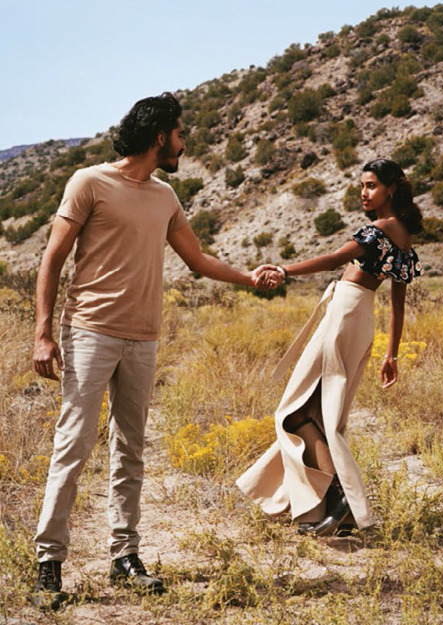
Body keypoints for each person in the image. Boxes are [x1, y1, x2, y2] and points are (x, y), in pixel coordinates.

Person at [31, 92, 277, 610]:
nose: (185, 142)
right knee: (73, 446)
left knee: (132, 449)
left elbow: (198, 260)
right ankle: (48, 563)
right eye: (181, 133)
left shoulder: (165, 196)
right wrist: (43, 333)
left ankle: (125, 557)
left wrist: (249, 278)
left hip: (144, 339)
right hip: (91, 332)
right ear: (159, 135)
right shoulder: (89, 182)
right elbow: (52, 258)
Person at [237, 158, 423, 537]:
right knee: (318, 414)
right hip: (360, 316)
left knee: (293, 413)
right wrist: (392, 354)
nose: (363, 192)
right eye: (361, 185)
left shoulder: (380, 229)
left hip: (345, 313)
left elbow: (337, 259)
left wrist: (285, 270)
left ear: (390, 188)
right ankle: (328, 508)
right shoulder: (403, 234)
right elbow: (397, 302)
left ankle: (341, 501)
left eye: (370, 185)